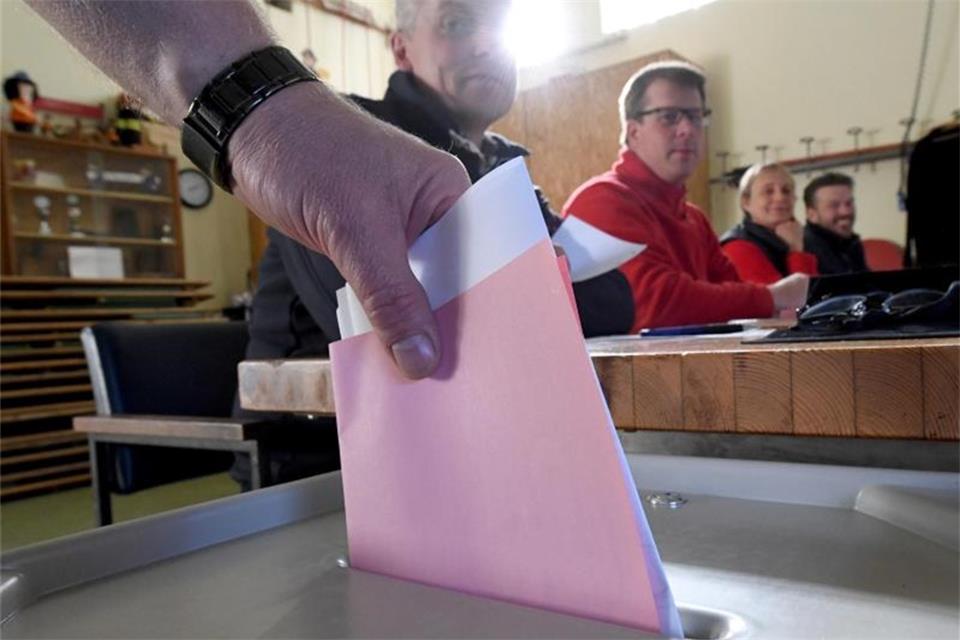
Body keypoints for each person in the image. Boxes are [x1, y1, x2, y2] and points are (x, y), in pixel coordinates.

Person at [27, 0, 471, 381]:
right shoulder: (350, 144)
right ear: (400, 46)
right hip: (305, 446)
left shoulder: (499, 161)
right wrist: (264, 115)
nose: (488, 45)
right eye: (457, 22)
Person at [562, 61, 808, 331]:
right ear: (633, 131)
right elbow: (655, 306)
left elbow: (734, 295)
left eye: (695, 116)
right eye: (669, 116)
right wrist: (774, 296)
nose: (688, 130)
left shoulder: (694, 218)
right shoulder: (602, 200)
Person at [720, 163, 819, 284]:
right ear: (746, 202)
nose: (780, 197)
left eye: (786, 191)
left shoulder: (797, 237)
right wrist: (796, 251)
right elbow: (788, 300)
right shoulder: (737, 247)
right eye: (768, 191)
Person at [802, 172, 868, 275]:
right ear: (811, 214)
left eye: (849, 203)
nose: (845, 211)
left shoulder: (850, 244)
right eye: (834, 205)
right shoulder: (805, 250)